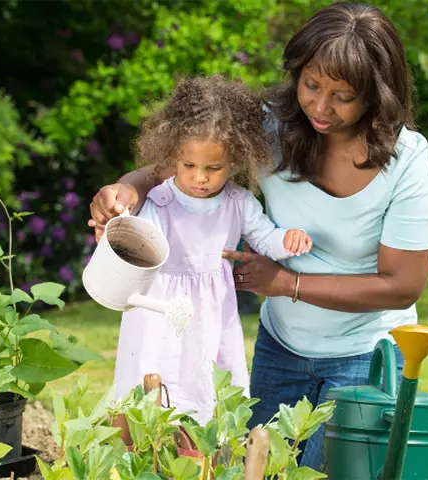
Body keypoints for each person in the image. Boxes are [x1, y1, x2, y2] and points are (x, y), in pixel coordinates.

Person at [89, 2, 428, 470]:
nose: (319, 105)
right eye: (311, 85)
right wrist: (125, 190)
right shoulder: (275, 125)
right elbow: (179, 163)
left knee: (316, 473)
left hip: (365, 353)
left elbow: (402, 285)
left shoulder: (406, 159)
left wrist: (286, 283)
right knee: (249, 467)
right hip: (281, 349)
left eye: (342, 96)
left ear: (377, 94)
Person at [111, 75, 312, 426]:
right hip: (160, 310)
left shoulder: (239, 202)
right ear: (174, 156)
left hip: (211, 312)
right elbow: (143, 244)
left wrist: (287, 240)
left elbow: (264, 239)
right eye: (189, 166)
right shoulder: (161, 200)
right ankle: (143, 455)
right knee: (151, 379)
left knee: (207, 387)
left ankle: (204, 457)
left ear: (234, 161)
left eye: (213, 168)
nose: (200, 178)